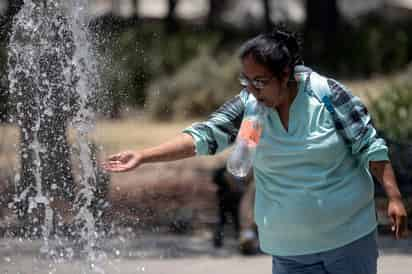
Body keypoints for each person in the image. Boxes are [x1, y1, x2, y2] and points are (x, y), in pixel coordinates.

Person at [103, 25, 408, 274]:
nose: (251, 89)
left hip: (347, 242)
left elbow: (369, 145)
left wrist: (393, 196)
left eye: (260, 81)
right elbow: (205, 135)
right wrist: (144, 156)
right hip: (289, 251)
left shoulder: (327, 95)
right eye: (246, 80)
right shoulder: (250, 105)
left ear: (286, 74)